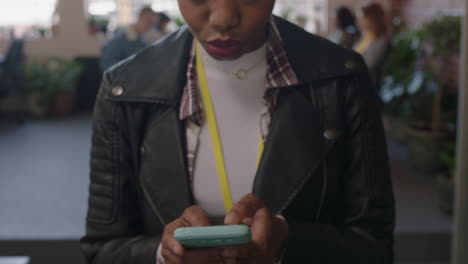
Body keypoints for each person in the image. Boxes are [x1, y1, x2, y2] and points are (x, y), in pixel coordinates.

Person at [81, 0, 395, 263]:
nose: (224, 18)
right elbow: (102, 249)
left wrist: (287, 240)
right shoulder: (124, 88)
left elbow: (373, 244)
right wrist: (162, 255)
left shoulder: (342, 78)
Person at [99, 7, 158, 72]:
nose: (149, 26)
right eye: (148, 21)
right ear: (140, 17)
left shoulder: (144, 42)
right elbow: (106, 65)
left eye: (152, 24)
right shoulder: (119, 38)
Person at [354, 2, 390, 86]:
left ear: (373, 19)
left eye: (362, 18)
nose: (358, 22)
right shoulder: (366, 35)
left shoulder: (381, 41)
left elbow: (367, 65)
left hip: (367, 84)